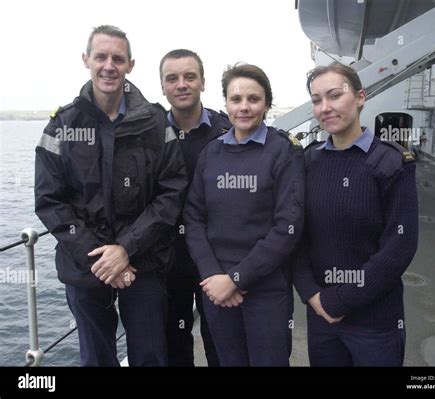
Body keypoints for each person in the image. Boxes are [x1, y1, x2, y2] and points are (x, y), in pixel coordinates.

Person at [34, 25, 187, 366]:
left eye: (118, 58)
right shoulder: (62, 125)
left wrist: (126, 248)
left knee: (150, 357)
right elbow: (50, 200)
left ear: (130, 64)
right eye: (101, 57)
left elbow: (171, 192)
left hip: (143, 265)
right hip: (85, 267)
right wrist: (104, 261)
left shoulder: (155, 123)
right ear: (86, 59)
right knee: (96, 358)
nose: (109, 66)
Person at [293, 62, 418, 366]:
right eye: (317, 100)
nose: (325, 107)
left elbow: (399, 246)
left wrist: (342, 299)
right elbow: (294, 235)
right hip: (322, 315)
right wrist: (312, 295)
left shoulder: (391, 163)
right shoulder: (308, 161)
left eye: (335, 95)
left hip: (374, 321)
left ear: (360, 97)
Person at [183, 63, 304, 366]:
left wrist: (237, 278)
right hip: (218, 289)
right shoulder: (211, 153)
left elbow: (287, 226)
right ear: (225, 103)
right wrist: (213, 275)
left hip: (266, 290)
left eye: (254, 99)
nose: (244, 107)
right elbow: (193, 217)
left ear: (267, 103)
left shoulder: (283, 151)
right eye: (236, 99)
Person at [159, 49, 231, 367]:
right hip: (167, 258)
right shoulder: (149, 133)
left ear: (202, 82)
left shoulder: (228, 131)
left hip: (217, 259)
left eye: (190, 76)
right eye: (172, 78)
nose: (181, 84)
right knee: (174, 342)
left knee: (221, 340)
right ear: (162, 87)